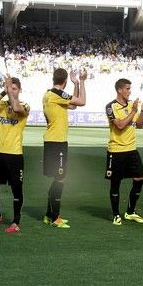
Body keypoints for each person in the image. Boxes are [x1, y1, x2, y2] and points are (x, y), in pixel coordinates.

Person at [42, 68, 87, 229]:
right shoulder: (57, 94)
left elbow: (73, 106)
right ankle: (55, 217)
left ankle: (49, 215)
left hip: (53, 141)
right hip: (57, 142)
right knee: (61, 178)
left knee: (58, 178)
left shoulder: (49, 94)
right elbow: (82, 102)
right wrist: (82, 81)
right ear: (65, 81)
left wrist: (75, 84)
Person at [0, 75, 30, 233]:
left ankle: (15, 222)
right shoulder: (2, 104)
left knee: (16, 189)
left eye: (15, 88)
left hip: (15, 155)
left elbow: (17, 109)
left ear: (20, 90)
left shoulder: (25, 106)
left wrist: (9, 93)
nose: (12, 90)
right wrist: (3, 92)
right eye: (10, 88)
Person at [105, 78, 143, 225]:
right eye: (127, 89)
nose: (130, 92)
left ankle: (130, 212)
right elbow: (120, 125)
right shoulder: (111, 106)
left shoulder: (132, 105)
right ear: (120, 90)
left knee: (139, 179)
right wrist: (134, 111)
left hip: (131, 149)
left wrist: (142, 111)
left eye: (130, 89)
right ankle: (116, 214)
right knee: (115, 183)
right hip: (116, 150)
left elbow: (140, 125)